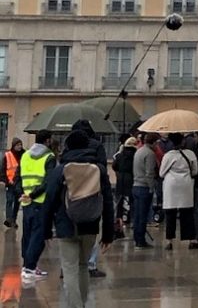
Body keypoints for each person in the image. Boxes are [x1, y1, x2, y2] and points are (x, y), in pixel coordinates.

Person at [42, 130, 114, 308]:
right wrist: (108, 234)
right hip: (90, 225)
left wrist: (45, 230)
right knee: (83, 266)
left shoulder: (60, 171)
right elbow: (108, 202)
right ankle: (82, 302)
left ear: (68, 146)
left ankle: (76, 306)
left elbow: (49, 201)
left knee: (69, 268)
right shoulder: (99, 170)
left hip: (66, 226)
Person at [70, 120, 107, 278]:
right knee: (92, 231)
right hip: (92, 192)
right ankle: (90, 265)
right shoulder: (97, 146)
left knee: (71, 232)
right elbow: (103, 168)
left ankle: (69, 266)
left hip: (72, 193)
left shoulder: (70, 145)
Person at [17, 129, 55, 281]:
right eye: (50, 139)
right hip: (40, 201)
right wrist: (33, 195)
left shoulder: (25, 155)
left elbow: (19, 176)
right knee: (37, 236)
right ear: (47, 141)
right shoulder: (49, 157)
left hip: (26, 200)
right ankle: (30, 268)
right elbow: (48, 181)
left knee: (27, 234)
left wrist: (23, 194)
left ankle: (27, 265)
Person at [159, 135, 198, 250]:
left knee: (170, 213)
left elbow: (161, 173)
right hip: (186, 185)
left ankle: (169, 240)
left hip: (171, 186)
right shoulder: (191, 154)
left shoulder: (168, 156)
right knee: (187, 213)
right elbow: (195, 171)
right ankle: (191, 239)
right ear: (183, 141)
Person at [131, 133, 157, 250]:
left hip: (136, 185)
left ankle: (136, 238)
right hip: (144, 187)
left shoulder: (139, 151)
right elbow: (149, 173)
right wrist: (152, 188)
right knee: (143, 216)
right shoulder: (150, 154)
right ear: (154, 142)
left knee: (137, 215)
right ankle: (140, 241)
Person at [111, 137, 137, 228]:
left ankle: (119, 218)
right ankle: (132, 218)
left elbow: (114, 166)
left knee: (119, 200)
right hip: (131, 179)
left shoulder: (119, 155)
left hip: (121, 179)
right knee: (132, 200)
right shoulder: (135, 155)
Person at [1, 137, 24, 228]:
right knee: (9, 200)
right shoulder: (8, 155)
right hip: (10, 183)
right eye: (18, 145)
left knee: (17, 202)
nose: (20, 146)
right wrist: (3, 180)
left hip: (20, 183)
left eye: (21, 145)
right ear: (13, 145)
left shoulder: (24, 154)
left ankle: (13, 219)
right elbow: (3, 169)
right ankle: (9, 219)